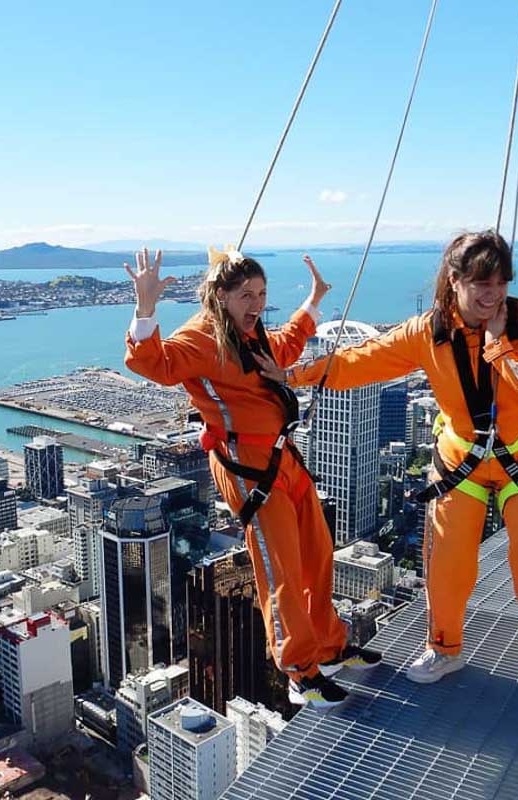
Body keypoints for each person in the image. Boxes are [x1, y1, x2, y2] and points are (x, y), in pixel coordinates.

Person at [258, 230, 518, 718]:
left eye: (500, 283)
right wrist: (294, 375)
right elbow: (364, 360)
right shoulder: (428, 331)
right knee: (445, 567)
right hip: (462, 460)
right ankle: (444, 647)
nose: (492, 295)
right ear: (455, 281)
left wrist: (497, 346)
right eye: (480, 284)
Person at [124, 246, 381, 710]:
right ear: (220, 295)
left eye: (261, 294)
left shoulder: (252, 331)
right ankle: (299, 672)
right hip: (247, 466)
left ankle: (330, 647)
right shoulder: (202, 337)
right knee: (279, 565)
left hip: (284, 456)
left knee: (318, 551)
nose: (257, 304)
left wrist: (314, 302)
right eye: (246, 295)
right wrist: (145, 308)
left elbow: (283, 346)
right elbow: (154, 364)